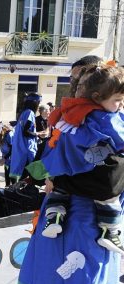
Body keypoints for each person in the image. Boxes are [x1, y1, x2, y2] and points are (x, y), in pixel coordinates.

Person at [6, 67, 123, 284]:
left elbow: (109, 183)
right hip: (54, 218)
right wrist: (42, 175)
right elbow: (50, 162)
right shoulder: (70, 121)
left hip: (86, 228)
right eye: (73, 80)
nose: (74, 85)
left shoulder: (109, 124)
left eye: (79, 79)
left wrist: (59, 177)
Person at [27, 64, 124, 255]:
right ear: (97, 96)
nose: (120, 105)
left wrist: (53, 172)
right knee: (108, 202)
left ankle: (54, 218)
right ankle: (110, 231)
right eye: (118, 100)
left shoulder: (72, 113)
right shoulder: (106, 118)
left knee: (59, 191)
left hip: (65, 173)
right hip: (87, 218)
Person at [9, 92, 42, 180]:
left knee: (23, 177)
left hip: (21, 149)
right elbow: (26, 132)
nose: (39, 106)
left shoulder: (23, 113)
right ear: (35, 102)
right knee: (29, 176)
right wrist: (37, 134)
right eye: (39, 103)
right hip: (28, 150)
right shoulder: (30, 113)